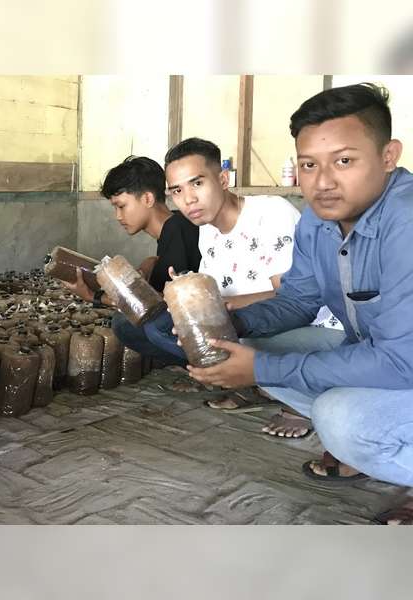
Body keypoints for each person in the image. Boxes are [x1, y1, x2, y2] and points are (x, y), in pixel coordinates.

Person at [182, 83, 413, 525]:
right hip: (387, 357)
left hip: (403, 361)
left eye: (344, 161)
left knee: (339, 418)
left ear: (388, 156)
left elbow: (402, 361)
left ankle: (363, 442)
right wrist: (231, 323)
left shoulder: (406, 219)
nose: (323, 182)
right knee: (263, 351)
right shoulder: (316, 220)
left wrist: (260, 371)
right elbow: (298, 300)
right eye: (309, 165)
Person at [145, 137, 342, 437]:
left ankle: (304, 405)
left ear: (223, 179)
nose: (188, 199)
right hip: (260, 324)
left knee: (240, 348)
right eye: (177, 191)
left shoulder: (271, 213)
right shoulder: (206, 233)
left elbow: (294, 300)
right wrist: (187, 293)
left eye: (197, 183)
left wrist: (227, 309)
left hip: (321, 327)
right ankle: (259, 386)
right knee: (172, 329)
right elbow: (216, 296)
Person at [63, 156, 200, 367]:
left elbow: (156, 305)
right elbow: (158, 261)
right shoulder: (175, 226)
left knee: (129, 324)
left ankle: (209, 368)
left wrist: (93, 296)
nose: (118, 216)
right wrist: (146, 266)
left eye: (121, 206)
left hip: (207, 321)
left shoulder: (177, 229)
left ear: (147, 199)